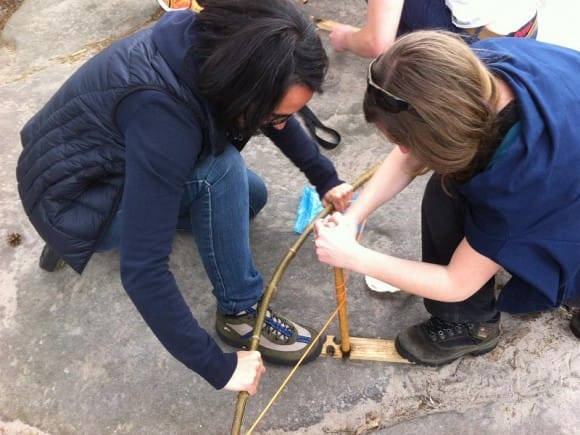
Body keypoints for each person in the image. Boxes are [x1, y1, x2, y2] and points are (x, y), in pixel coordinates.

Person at [16, 0, 354, 395]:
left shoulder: (207, 44)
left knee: (249, 198)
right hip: (74, 200)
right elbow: (143, 271)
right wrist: (218, 367)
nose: (279, 125)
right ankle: (241, 314)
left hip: (78, 168)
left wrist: (324, 177)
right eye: (274, 116)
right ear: (243, 87)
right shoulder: (162, 114)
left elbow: (273, 111)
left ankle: (86, 233)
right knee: (220, 172)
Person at [314, 30, 580, 366]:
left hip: (564, 175)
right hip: (569, 128)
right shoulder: (470, 69)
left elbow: (456, 282)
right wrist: (354, 216)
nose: (403, 151)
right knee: (450, 183)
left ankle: (470, 326)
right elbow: (412, 154)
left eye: (406, 141)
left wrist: (354, 257)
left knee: (453, 194)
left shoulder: (519, 182)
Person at [329, 0, 538, 58]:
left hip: (477, 47)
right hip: (526, 29)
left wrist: (345, 38)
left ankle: (418, 64)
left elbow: (377, 44)